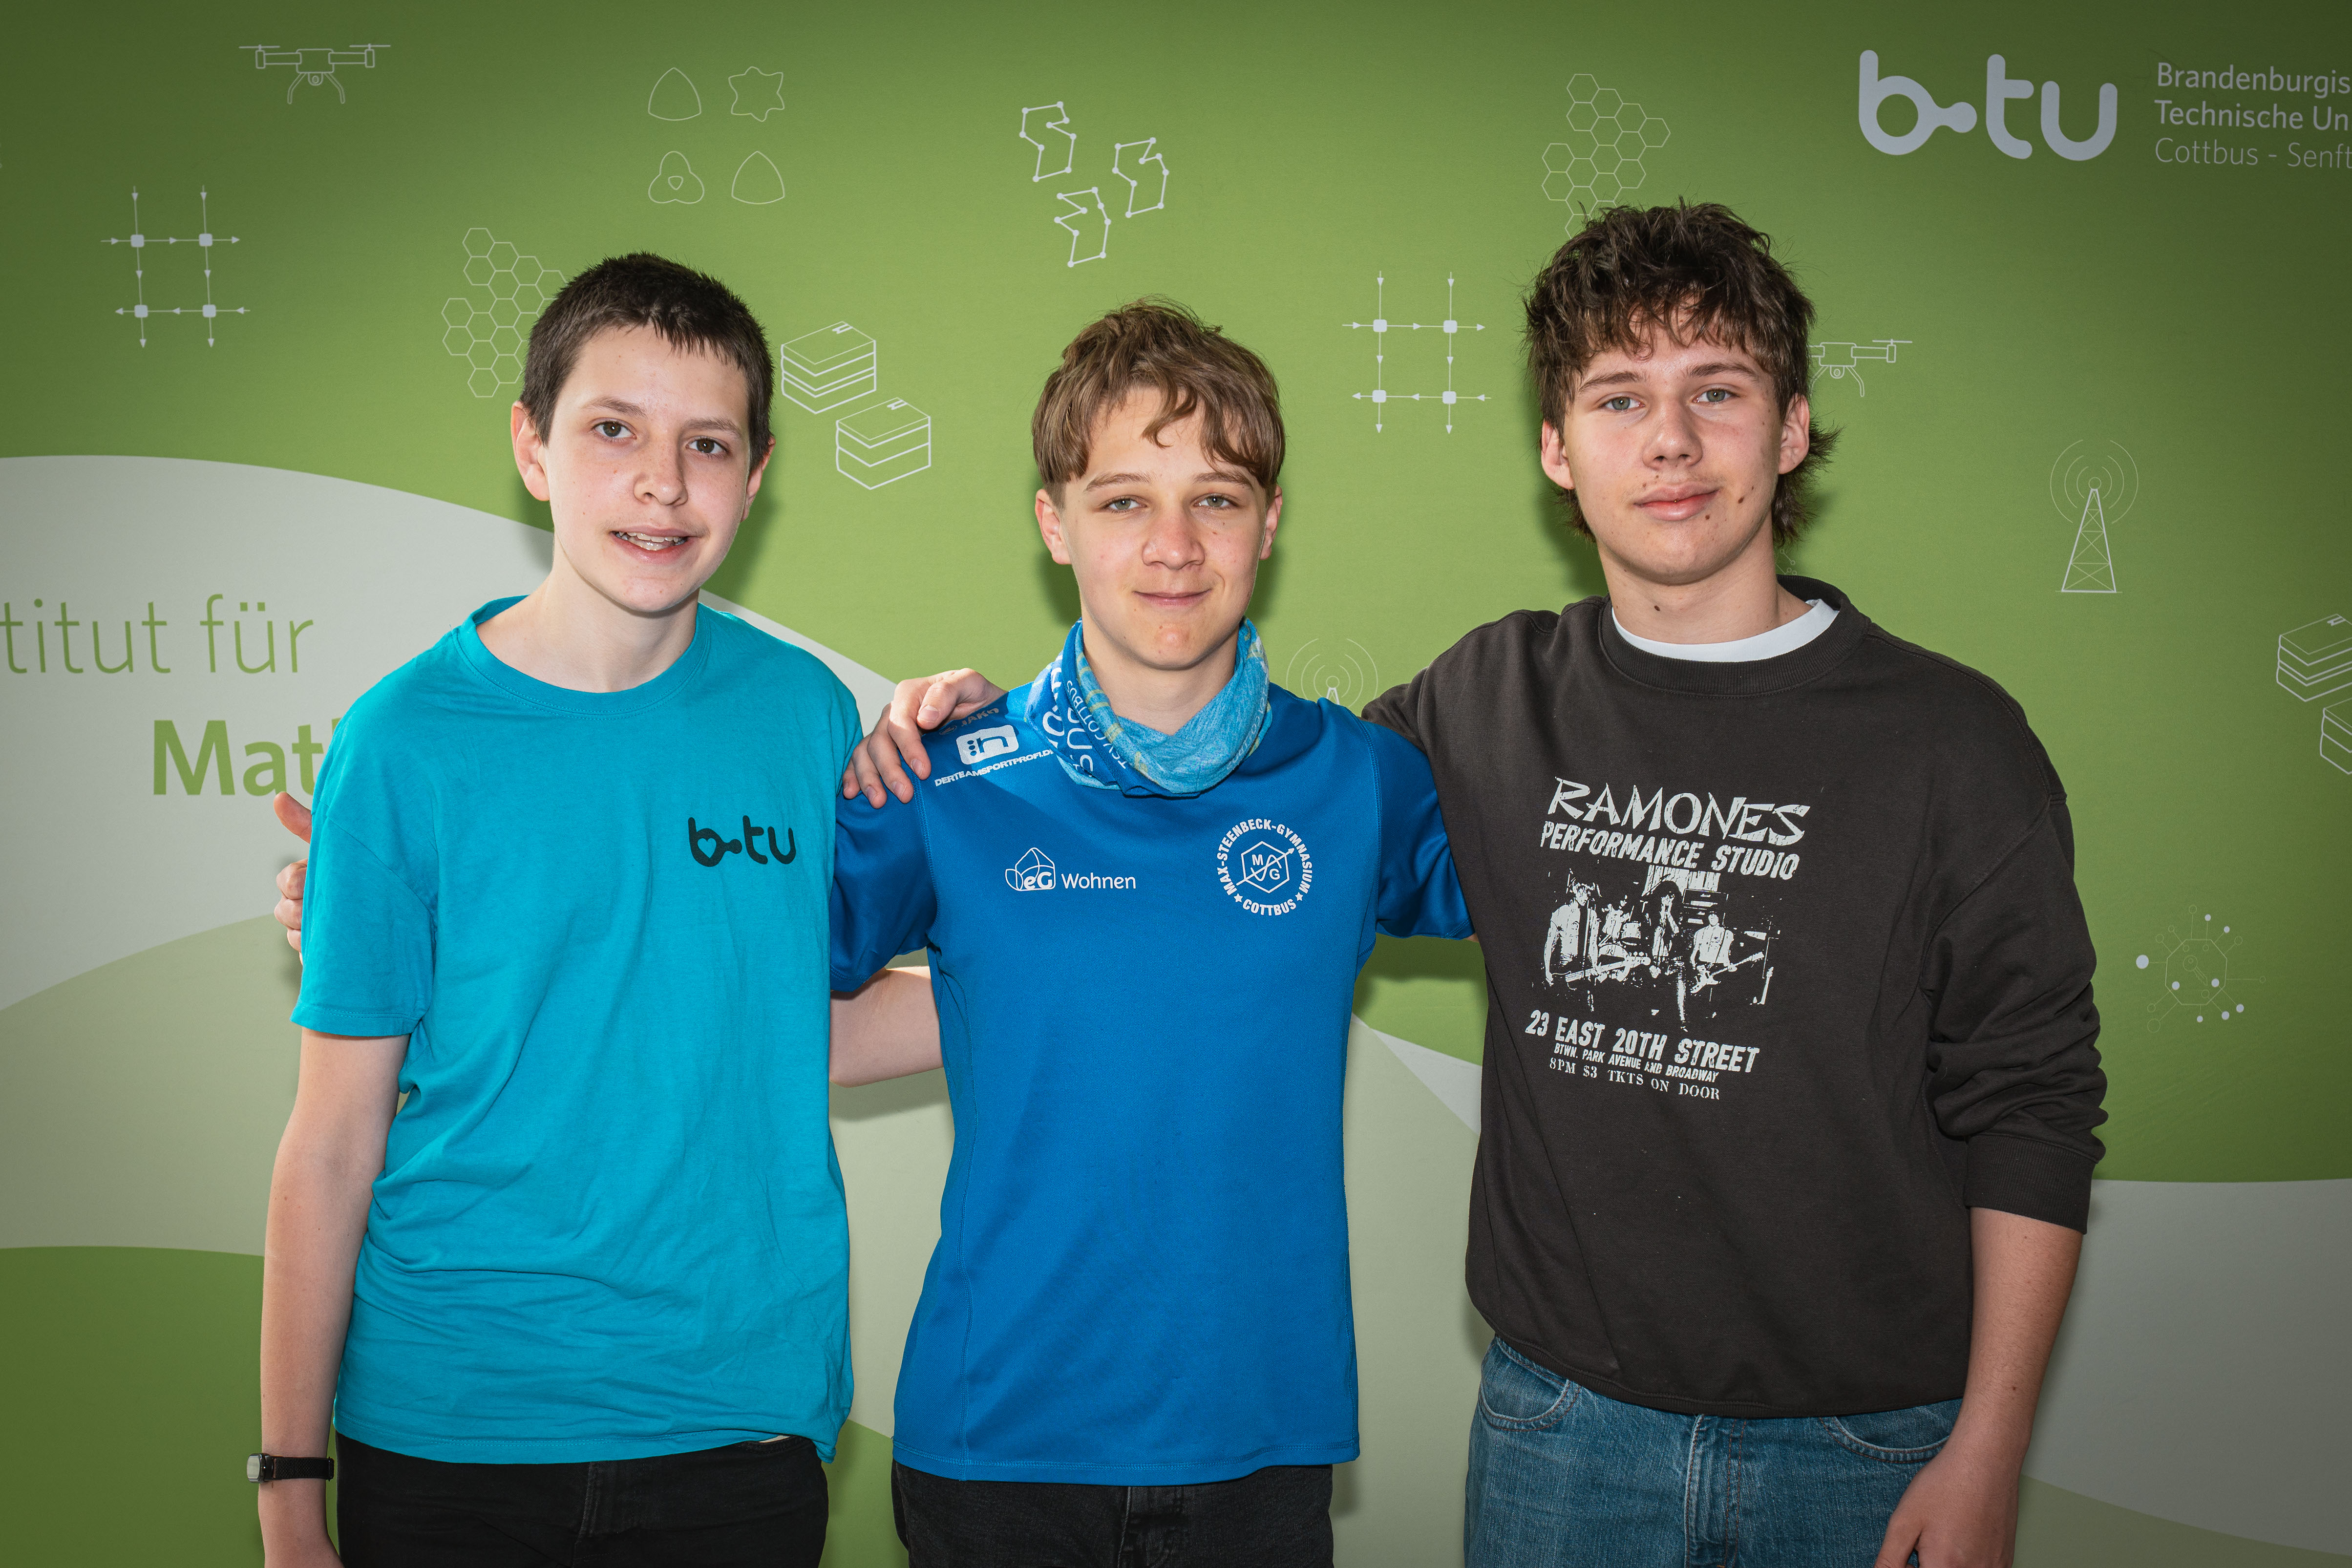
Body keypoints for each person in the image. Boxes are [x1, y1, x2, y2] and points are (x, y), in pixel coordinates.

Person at [857, 203, 2107, 1568]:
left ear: (1792, 426)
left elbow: (2034, 1099)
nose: (1671, 442)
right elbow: (1149, 876)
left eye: (1718, 391)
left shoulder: (1947, 742)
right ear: (1558, 447)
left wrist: (1991, 1447)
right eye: (1620, 397)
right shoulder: (1479, 706)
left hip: (1865, 1442)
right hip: (1560, 1437)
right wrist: (969, 740)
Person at [255, 253, 932, 1568]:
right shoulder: (401, 741)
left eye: (708, 444)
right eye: (614, 430)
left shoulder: (803, 716)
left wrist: (1070, 965)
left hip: (737, 1423)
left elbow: (802, 1023)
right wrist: (289, 1492)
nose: (663, 483)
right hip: (452, 1429)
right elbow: (331, 1141)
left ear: (757, 472)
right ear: (533, 446)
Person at [829, 300, 1471, 1565]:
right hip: (998, 1444)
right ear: (1054, 523)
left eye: (1216, 499)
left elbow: (1575, 901)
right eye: (1124, 500)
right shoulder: (939, 776)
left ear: (1270, 523)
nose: (1173, 546)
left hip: (1259, 1444)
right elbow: (743, 996)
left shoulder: (1359, 781)